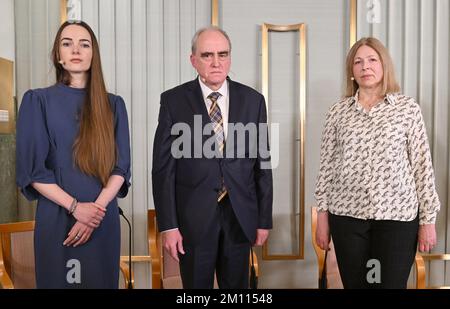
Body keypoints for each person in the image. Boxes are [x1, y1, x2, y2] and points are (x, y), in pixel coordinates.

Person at [314, 37, 440, 289]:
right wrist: (322, 218)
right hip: (347, 218)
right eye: (358, 62)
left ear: (384, 66)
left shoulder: (407, 109)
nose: (365, 67)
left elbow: (422, 166)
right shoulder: (338, 111)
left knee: (388, 284)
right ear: (351, 70)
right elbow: (326, 167)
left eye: (372, 60)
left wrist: (428, 220)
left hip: (397, 219)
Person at [152, 26, 273, 289]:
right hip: (193, 219)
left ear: (230, 57)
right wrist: (168, 226)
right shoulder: (173, 101)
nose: (216, 62)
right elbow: (163, 170)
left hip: (240, 217)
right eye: (207, 55)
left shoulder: (253, 100)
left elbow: (262, 165)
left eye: (223, 54)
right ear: (193, 60)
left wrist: (264, 220)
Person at [16, 20, 131, 288]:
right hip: (58, 217)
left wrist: (95, 212)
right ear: (58, 54)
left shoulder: (114, 105)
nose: (75, 50)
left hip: (102, 219)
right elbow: (33, 170)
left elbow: (121, 167)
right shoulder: (37, 100)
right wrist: (76, 208)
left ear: (94, 54)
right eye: (67, 44)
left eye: (84, 44)